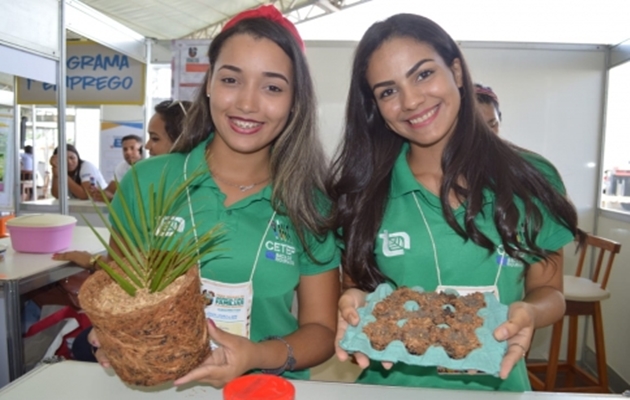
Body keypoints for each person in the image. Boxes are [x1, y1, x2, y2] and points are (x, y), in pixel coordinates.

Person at [84, 5, 340, 388]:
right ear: (208, 84)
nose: (247, 104)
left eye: (272, 87)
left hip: (260, 390)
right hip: (159, 388)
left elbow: (320, 330)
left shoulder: (310, 204)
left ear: (295, 101)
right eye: (231, 80)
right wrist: (113, 332)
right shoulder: (148, 181)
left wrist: (254, 354)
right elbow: (121, 293)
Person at [327, 13, 583, 392]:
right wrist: (351, 298)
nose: (411, 100)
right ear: (375, 107)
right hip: (389, 387)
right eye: (387, 91)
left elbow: (551, 293)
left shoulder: (530, 177)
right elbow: (358, 289)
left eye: (423, 74)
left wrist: (528, 311)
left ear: (457, 72)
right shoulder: (363, 192)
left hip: (499, 384)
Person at [90, 134, 143, 202]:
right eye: (125, 149)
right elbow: (110, 190)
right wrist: (99, 193)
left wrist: (112, 198)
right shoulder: (122, 166)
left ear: (141, 150)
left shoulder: (148, 166)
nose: (128, 152)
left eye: (132, 148)